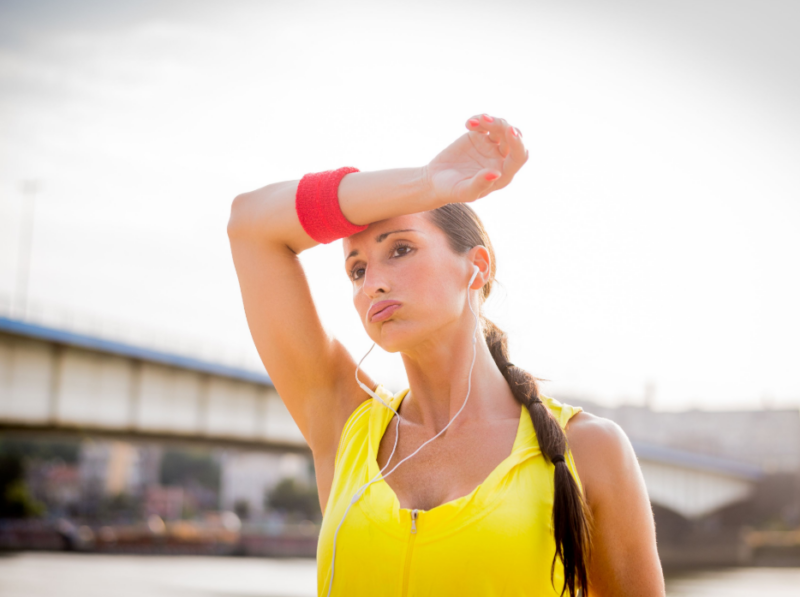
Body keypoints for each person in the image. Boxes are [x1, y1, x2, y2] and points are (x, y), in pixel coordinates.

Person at [227, 114, 665, 596]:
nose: (372, 283)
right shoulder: (343, 424)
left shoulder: (588, 451)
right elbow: (250, 224)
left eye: (400, 249)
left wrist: (430, 196)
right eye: (356, 270)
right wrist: (424, 183)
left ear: (476, 268)